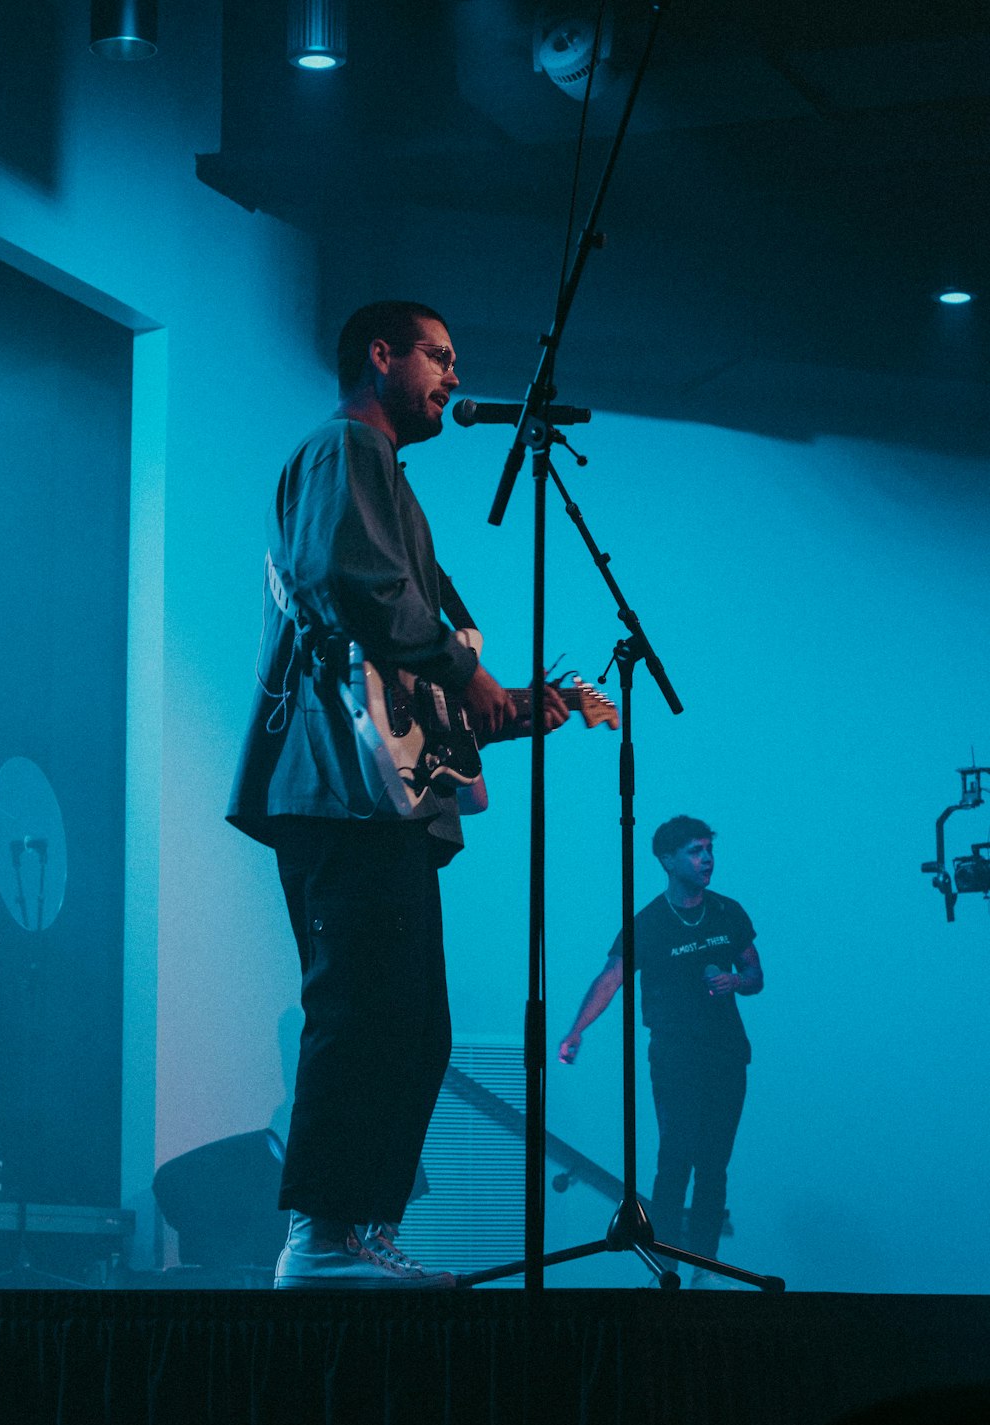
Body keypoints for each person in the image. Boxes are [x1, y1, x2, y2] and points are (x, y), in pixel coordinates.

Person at [228, 300, 568, 1287]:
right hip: (336, 787)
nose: (454, 377)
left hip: (376, 795)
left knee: (417, 1026)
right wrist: (473, 679)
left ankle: (359, 1229)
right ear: (381, 357)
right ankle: (319, 1240)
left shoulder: (384, 478)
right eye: (439, 357)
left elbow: (404, 660)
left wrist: (502, 707)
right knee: (365, 1008)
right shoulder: (346, 449)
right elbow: (361, 589)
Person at [558, 815, 763, 1285]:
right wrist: (576, 1031)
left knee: (715, 1164)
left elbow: (756, 975)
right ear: (667, 860)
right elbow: (610, 978)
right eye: (695, 850)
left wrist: (736, 980)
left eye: (709, 849)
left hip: (727, 1053)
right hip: (674, 1055)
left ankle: (705, 1270)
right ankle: (664, 1265)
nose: (707, 858)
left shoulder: (729, 912)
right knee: (675, 1159)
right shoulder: (649, 922)